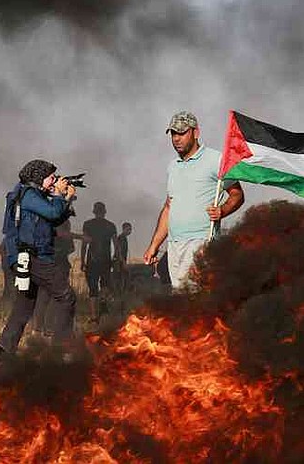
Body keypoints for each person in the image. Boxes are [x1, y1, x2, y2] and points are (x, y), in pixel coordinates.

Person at [143, 111, 245, 293]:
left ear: (196, 133)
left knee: (196, 298)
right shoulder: (173, 166)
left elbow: (237, 195)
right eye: (173, 133)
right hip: (175, 245)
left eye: (182, 133)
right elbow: (168, 208)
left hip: (201, 242)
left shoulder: (216, 160)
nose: (176, 138)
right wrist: (154, 246)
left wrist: (222, 210)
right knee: (180, 296)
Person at [0, 159, 76, 353]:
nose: (53, 181)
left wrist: (66, 199)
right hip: (33, 258)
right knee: (66, 296)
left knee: (23, 309)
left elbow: (55, 218)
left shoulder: (28, 193)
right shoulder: (29, 195)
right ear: (39, 177)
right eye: (51, 178)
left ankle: (3, 352)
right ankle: (59, 351)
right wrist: (58, 194)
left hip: (27, 257)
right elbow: (51, 213)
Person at [32, 219, 75, 337]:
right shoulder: (58, 227)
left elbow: (71, 247)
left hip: (48, 266)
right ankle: (45, 328)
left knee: (44, 297)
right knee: (52, 298)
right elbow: (71, 247)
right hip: (56, 267)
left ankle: (39, 328)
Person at [81, 202, 118, 323]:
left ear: (94, 211)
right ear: (105, 211)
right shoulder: (111, 226)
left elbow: (84, 244)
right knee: (105, 284)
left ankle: (93, 317)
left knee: (92, 288)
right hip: (106, 260)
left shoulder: (88, 224)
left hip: (92, 260)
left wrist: (82, 260)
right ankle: (102, 302)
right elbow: (116, 244)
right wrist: (116, 258)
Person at [114, 222, 133, 293]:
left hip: (120, 261)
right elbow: (119, 251)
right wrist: (123, 262)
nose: (130, 231)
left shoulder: (123, 238)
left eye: (130, 229)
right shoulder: (121, 238)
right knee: (121, 279)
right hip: (119, 262)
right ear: (124, 229)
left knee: (123, 278)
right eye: (128, 229)